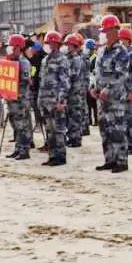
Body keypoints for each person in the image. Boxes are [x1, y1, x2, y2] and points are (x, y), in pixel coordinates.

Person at [92, 15, 130, 172]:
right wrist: (94, 87)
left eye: (106, 31)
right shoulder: (101, 51)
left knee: (117, 130)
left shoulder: (121, 52)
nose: (103, 34)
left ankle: (121, 161)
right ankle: (109, 159)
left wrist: (108, 89)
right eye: (103, 31)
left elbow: (121, 75)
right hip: (102, 100)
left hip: (115, 99)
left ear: (114, 31)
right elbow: (96, 73)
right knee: (105, 130)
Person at [37, 30, 70, 166]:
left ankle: (60, 157)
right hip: (45, 101)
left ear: (56, 44)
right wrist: (40, 99)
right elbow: (42, 81)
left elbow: (65, 82)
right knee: (49, 130)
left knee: (59, 130)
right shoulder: (45, 60)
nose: (47, 45)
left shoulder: (62, 60)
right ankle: (52, 156)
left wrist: (61, 100)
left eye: (49, 43)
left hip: (56, 101)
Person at [64, 33, 88, 148]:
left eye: (69, 45)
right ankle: (71, 137)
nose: (67, 47)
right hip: (69, 91)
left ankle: (76, 139)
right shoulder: (68, 57)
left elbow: (72, 74)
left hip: (75, 91)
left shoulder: (77, 59)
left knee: (75, 115)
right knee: (69, 115)